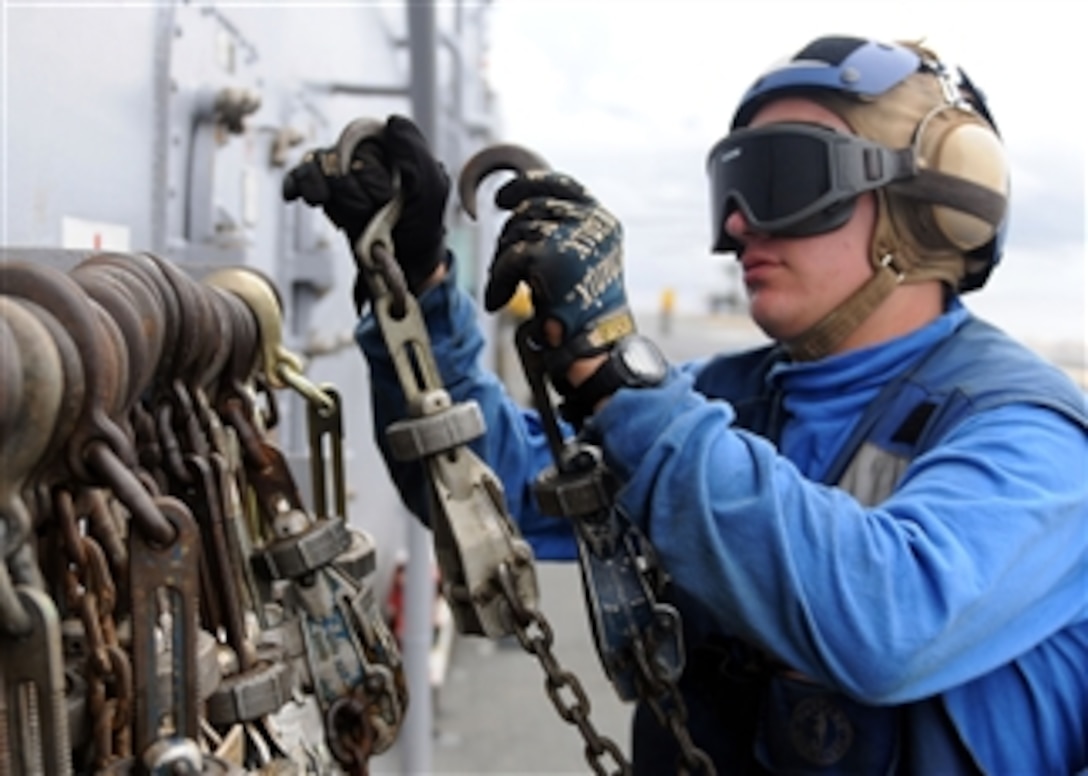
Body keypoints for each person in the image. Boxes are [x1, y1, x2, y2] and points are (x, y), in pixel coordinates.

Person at [284, 34, 1088, 775]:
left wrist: (613, 374)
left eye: (782, 181)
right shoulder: (721, 402)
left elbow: (890, 622)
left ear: (932, 209)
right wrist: (418, 283)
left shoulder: (1032, 438)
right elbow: (493, 493)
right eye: (731, 190)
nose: (738, 225)